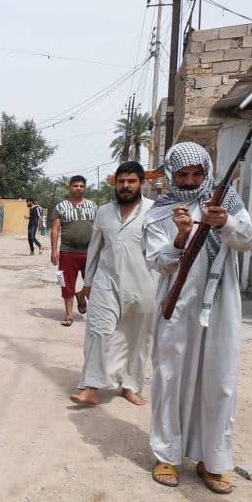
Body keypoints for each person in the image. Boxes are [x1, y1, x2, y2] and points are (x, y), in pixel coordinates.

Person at [143, 142, 252, 493]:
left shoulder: (227, 202)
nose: (191, 181)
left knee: (219, 382)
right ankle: (167, 455)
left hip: (221, 304)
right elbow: (157, 261)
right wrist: (180, 237)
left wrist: (224, 224)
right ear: (171, 175)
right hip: (177, 305)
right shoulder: (160, 211)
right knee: (171, 376)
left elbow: (248, 240)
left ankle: (213, 460)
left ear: (207, 171)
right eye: (182, 174)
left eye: (197, 174)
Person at [70, 162, 158, 406]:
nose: (126, 186)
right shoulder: (104, 212)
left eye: (131, 181)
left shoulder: (154, 211)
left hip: (144, 285)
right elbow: (94, 248)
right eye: (121, 181)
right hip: (106, 282)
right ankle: (91, 387)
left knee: (136, 338)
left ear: (142, 183)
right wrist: (88, 283)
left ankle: (130, 386)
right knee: (98, 333)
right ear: (115, 184)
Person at [50, 175, 97, 326]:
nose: (78, 188)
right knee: (66, 284)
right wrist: (54, 251)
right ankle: (69, 315)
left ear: (85, 188)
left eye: (81, 186)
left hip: (90, 252)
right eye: (75, 185)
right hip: (67, 252)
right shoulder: (61, 207)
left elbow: (100, 229)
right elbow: (55, 229)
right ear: (69, 188)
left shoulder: (93, 206)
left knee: (93, 284)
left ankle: (82, 295)